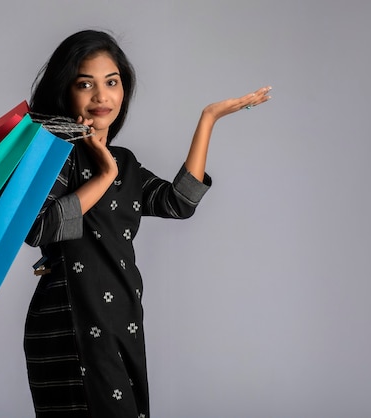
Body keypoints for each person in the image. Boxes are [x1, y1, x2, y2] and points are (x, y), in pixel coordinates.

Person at [23, 29, 271, 418]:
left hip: (123, 315)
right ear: (65, 91)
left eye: (112, 82)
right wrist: (103, 175)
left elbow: (179, 202)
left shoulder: (127, 163)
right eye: (85, 84)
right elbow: (38, 228)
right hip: (69, 317)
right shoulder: (55, 157)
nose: (101, 96)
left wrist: (208, 119)